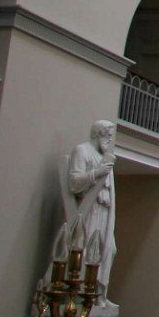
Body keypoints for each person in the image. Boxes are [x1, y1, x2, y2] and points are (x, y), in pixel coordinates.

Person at [63, 120, 117, 305]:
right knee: (87, 249)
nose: (110, 139)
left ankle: (99, 293)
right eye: (107, 134)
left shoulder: (105, 156)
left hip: (104, 211)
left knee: (109, 249)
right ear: (97, 133)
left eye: (111, 135)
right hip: (89, 208)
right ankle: (81, 294)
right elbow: (74, 183)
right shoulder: (82, 151)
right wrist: (97, 172)